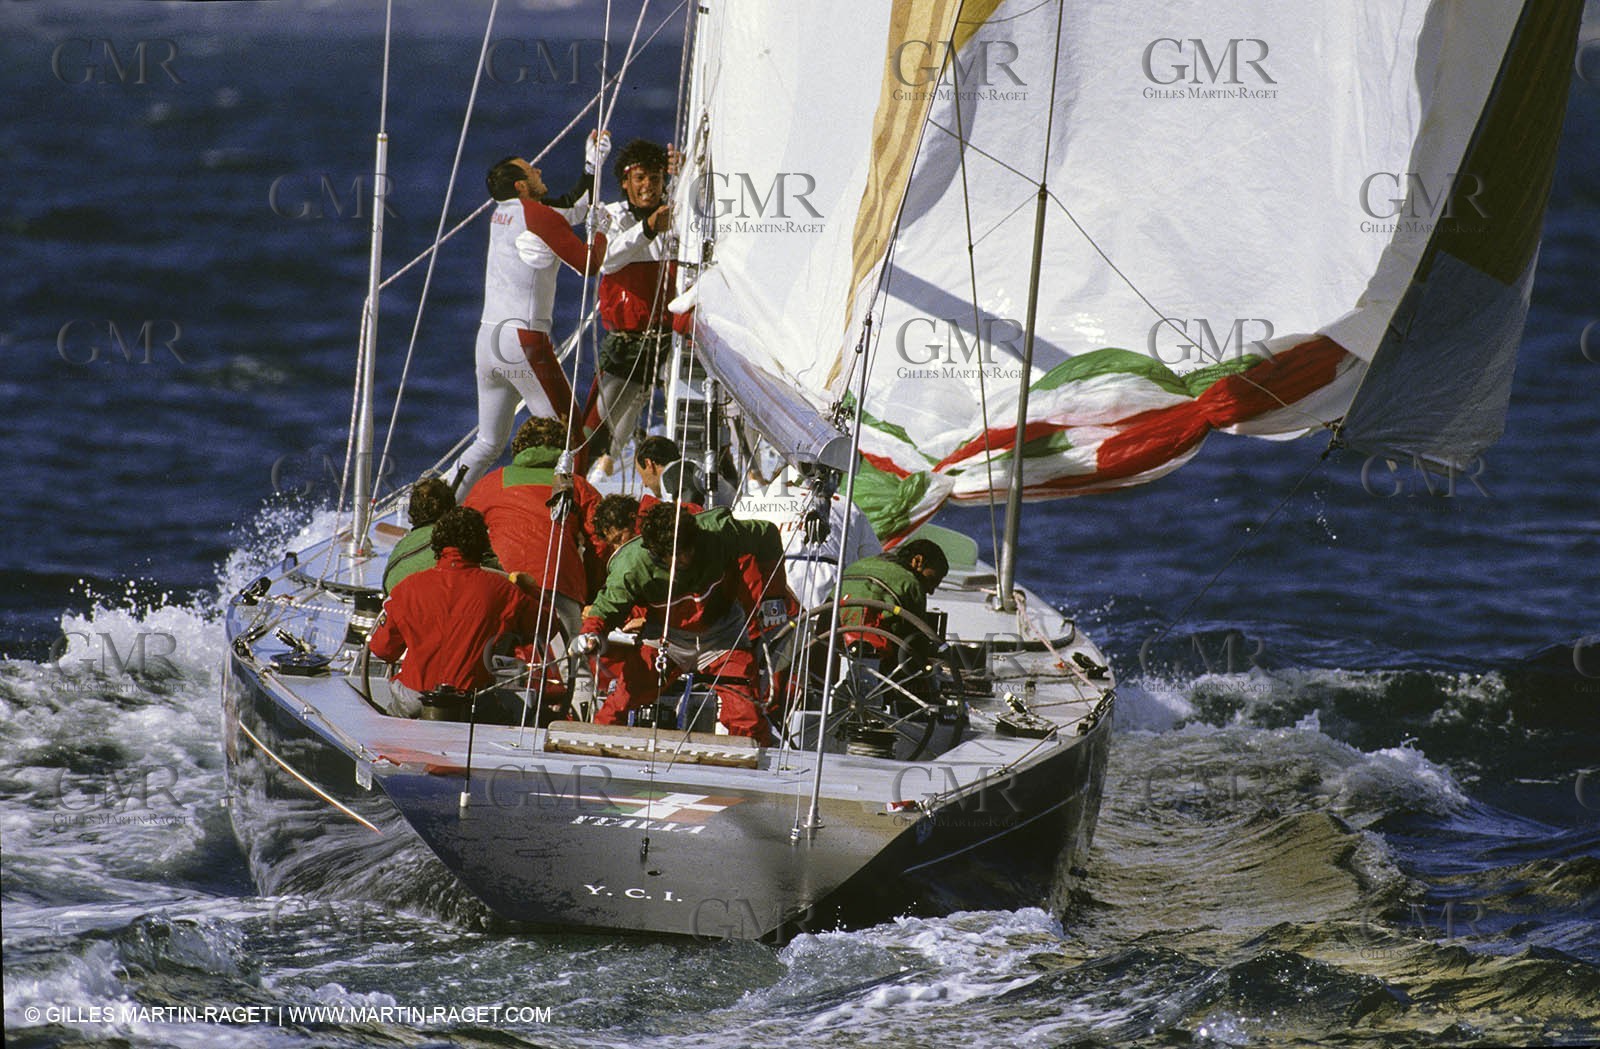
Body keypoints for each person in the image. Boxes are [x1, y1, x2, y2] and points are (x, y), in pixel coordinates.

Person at [453, 136, 611, 493]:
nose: (540, 170)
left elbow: (570, 208)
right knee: (572, 438)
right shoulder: (536, 214)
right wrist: (602, 231)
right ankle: (566, 527)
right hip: (523, 341)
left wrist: (591, 167)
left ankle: (441, 508)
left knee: (488, 443)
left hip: (488, 341)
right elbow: (588, 263)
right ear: (522, 185)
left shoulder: (503, 213)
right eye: (532, 170)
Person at [575, 503, 792, 743]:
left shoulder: (719, 531)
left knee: (746, 716)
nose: (685, 558)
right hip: (666, 639)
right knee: (621, 702)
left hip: (723, 636)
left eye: (689, 549)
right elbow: (606, 606)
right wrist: (591, 634)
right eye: (675, 554)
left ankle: (761, 766)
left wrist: (773, 597)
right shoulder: (631, 565)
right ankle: (592, 747)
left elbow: (768, 536)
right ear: (655, 552)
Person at [581, 139, 691, 478]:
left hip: (666, 337)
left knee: (638, 402)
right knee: (602, 414)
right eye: (640, 178)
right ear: (626, 182)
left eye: (655, 178)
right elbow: (607, 260)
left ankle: (609, 464)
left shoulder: (678, 214)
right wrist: (647, 230)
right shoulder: (613, 216)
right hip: (627, 338)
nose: (648, 187)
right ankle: (579, 471)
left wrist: (688, 171)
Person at [368, 507, 541, 717]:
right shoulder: (503, 590)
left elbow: (383, 650)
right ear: (482, 544)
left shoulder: (406, 588)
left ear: (438, 543)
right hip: (471, 705)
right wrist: (531, 590)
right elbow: (546, 628)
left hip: (414, 701)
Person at [463, 416, 603, 637]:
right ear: (562, 451)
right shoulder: (578, 486)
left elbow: (462, 534)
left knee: (492, 658)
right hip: (559, 585)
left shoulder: (490, 483)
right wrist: (594, 593)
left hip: (502, 583)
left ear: (519, 448)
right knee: (568, 663)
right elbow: (601, 544)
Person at [836, 539, 949, 652]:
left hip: (829, 646)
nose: (931, 591)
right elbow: (917, 642)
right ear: (917, 561)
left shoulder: (855, 567)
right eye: (932, 580)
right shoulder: (910, 583)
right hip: (872, 652)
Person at [383, 477, 456, 593]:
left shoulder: (401, 547)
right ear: (450, 511)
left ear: (412, 513)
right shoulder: (454, 541)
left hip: (396, 603)